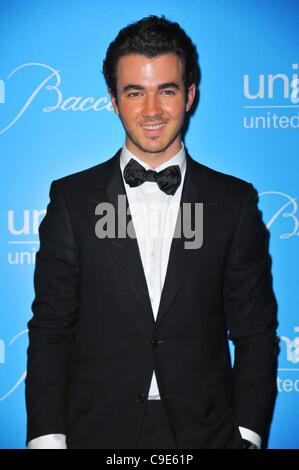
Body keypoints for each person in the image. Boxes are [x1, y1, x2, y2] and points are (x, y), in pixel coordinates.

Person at [25, 15, 279, 449]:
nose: (152, 111)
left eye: (167, 90)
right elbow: (51, 330)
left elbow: (255, 333)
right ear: (113, 100)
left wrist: (247, 435)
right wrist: (48, 438)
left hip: (209, 434)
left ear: (190, 95)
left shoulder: (234, 203)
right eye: (134, 93)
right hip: (97, 432)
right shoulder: (72, 200)